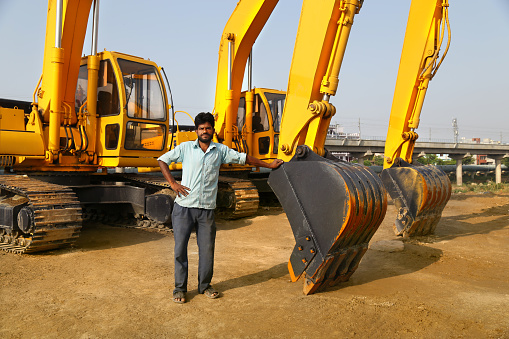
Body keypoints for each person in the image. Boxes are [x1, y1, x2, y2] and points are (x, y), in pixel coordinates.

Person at [158, 112, 283, 304]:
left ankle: (205, 286)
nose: (204, 131)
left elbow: (245, 158)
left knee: (207, 250)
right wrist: (173, 184)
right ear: (197, 131)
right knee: (180, 250)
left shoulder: (221, 150)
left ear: (213, 130)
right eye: (201, 128)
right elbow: (162, 160)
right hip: (184, 207)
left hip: (206, 209)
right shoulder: (185, 148)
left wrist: (268, 164)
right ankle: (179, 289)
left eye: (208, 128)